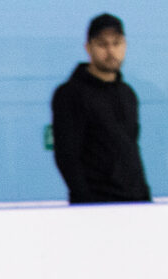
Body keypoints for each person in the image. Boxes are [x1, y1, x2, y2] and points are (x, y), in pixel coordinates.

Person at [51, 13, 151, 205]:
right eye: (102, 44)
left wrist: (145, 197)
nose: (110, 51)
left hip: (135, 203)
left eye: (116, 43)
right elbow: (67, 156)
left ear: (125, 46)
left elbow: (131, 150)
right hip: (97, 206)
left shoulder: (128, 93)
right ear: (88, 48)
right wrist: (87, 204)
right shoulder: (70, 94)